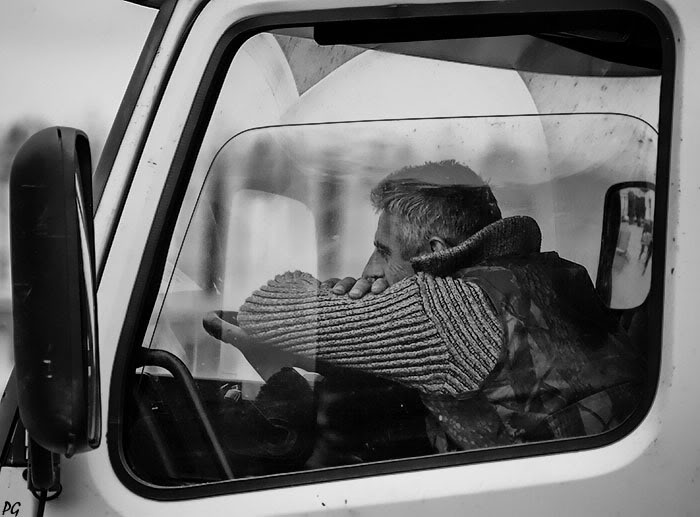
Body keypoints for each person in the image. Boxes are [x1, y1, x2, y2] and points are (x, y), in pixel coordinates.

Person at [204, 160, 643, 453]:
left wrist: (331, 297)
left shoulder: (454, 308)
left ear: (434, 253)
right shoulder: (540, 277)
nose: (369, 268)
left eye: (383, 251)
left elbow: (265, 312)